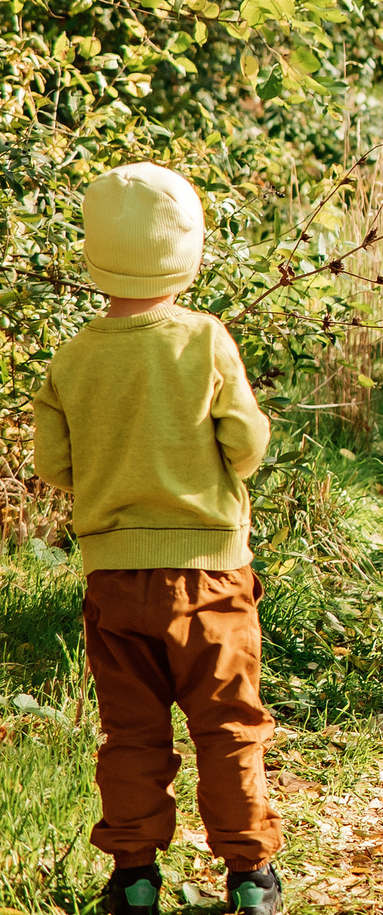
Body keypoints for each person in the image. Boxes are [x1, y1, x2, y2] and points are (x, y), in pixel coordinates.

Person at [32, 163, 283, 915]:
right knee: (229, 724)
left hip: (115, 578)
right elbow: (243, 445)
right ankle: (248, 876)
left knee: (131, 732)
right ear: (189, 252)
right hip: (210, 576)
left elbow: (54, 464)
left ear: (94, 254)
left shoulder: (74, 357)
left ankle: (135, 875)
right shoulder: (203, 340)